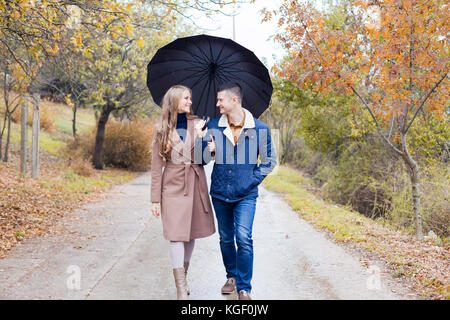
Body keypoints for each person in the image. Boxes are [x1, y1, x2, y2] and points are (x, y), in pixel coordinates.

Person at [195, 82, 277, 300]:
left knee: (243, 237)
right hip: (220, 192)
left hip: (246, 194)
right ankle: (231, 277)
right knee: (225, 238)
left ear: (234, 100)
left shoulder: (259, 128)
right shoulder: (212, 125)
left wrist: (252, 179)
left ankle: (244, 288)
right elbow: (200, 160)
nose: (217, 104)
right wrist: (204, 143)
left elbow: (269, 161)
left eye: (220, 99)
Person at [151, 85, 215, 300]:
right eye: (186, 98)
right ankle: (181, 289)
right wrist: (154, 199)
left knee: (191, 234)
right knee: (176, 235)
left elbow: (204, 159)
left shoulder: (198, 124)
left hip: (195, 183)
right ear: (175, 100)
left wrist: (202, 139)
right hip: (173, 186)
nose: (190, 101)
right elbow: (155, 166)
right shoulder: (161, 129)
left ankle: (183, 279)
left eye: (190, 98)